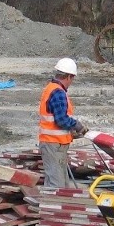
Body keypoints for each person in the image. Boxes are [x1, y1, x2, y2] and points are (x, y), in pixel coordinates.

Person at [38, 58, 88, 188]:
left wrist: (70, 133)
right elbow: (61, 120)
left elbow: (55, 119)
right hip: (54, 145)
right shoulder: (58, 93)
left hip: (53, 144)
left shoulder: (51, 88)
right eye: (72, 78)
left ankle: (51, 206)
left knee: (60, 183)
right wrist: (77, 125)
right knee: (57, 186)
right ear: (69, 77)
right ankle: (52, 207)